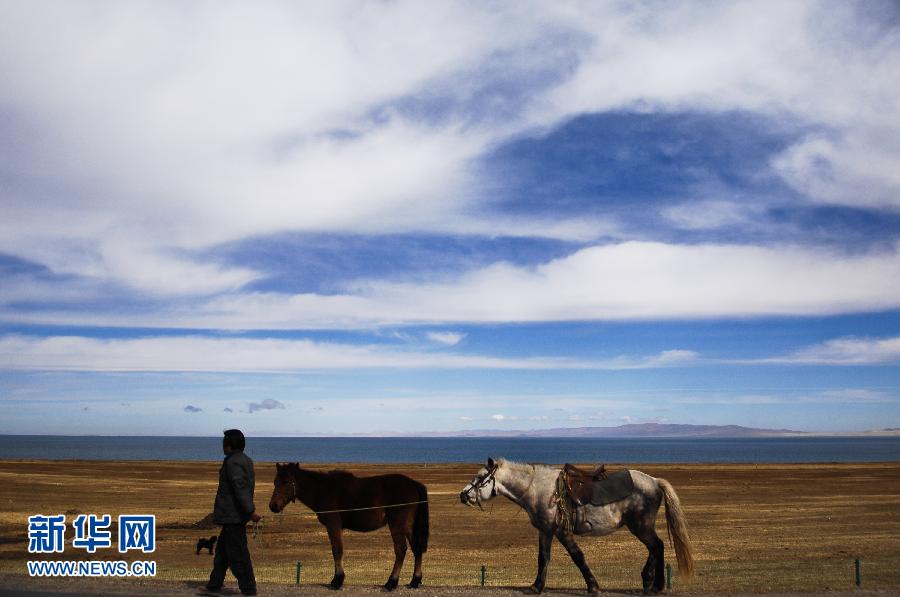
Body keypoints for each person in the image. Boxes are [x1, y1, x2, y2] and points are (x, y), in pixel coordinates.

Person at [200, 429, 261, 596]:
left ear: (229, 445)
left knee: (238, 555)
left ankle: (249, 590)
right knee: (222, 554)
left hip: (233, 516)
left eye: (224, 443)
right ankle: (214, 586)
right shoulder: (245, 460)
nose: (223, 446)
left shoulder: (233, 462)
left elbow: (240, 488)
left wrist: (251, 511)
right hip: (233, 516)